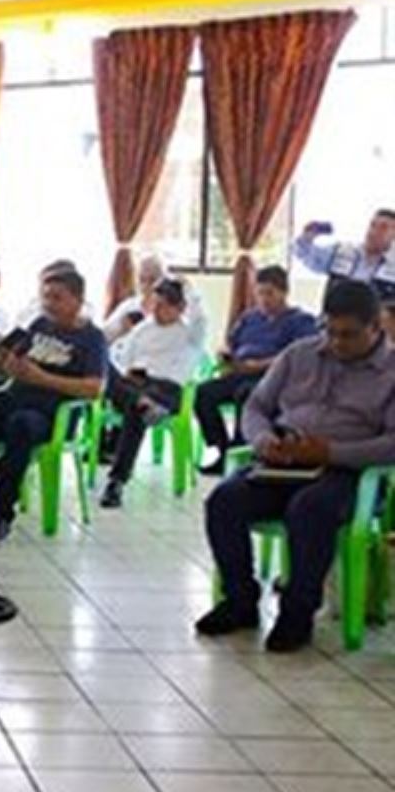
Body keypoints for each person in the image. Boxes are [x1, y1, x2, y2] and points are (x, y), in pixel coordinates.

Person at [197, 280, 395, 652]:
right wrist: (263, 441)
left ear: (376, 327)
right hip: (283, 463)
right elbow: (256, 406)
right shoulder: (298, 354)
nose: (337, 343)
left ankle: (297, 611)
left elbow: (391, 445)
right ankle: (240, 601)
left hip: (349, 473)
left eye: (349, 335)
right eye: (330, 331)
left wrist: (330, 452)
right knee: (224, 501)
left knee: (310, 508)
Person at [0, 267, 108, 547]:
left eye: (57, 297)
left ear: (78, 300)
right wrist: (5, 360)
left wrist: (43, 378)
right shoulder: (39, 325)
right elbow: (10, 370)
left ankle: (0, 516)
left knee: (22, 424)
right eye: (45, 297)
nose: (49, 304)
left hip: (52, 416)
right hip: (15, 399)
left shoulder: (92, 338)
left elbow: (94, 388)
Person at [194, 265, 318, 474]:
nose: (263, 299)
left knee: (247, 394)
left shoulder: (300, 321)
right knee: (204, 393)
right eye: (259, 293)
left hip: (272, 378)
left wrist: (259, 365)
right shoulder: (249, 318)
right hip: (240, 371)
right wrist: (225, 356)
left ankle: (242, 450)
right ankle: (222, 449)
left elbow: (297, 358)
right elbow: (230, 344)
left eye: (269, 293)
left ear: (284, 292)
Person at [99, 279, 206, 508]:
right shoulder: (142, 329)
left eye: (164, 306)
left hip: (166, 389)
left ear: (179, 308)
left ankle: (116, 482)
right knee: (105, 371)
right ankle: (143, 403)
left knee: (135, 411)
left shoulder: (190, 334)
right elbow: (123, 361)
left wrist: (189, 288)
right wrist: (128, 373)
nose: (157, 311)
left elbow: (201, 317)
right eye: (155, 304)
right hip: (136, 386)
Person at [102, 253, 207, 345]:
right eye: (142, 279)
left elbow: (198, 334)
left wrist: (190, 292)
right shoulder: (129, 307)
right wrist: (122, 330)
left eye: (152, 279)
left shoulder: (177, 312)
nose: (147, 286)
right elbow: (103, 337)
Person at [295, 208, 395, 300]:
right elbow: (306, 255)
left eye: (383, 228)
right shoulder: (342, 252)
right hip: (335, 316)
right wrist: (307, 237)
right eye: (372, 225)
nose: (374, 232)